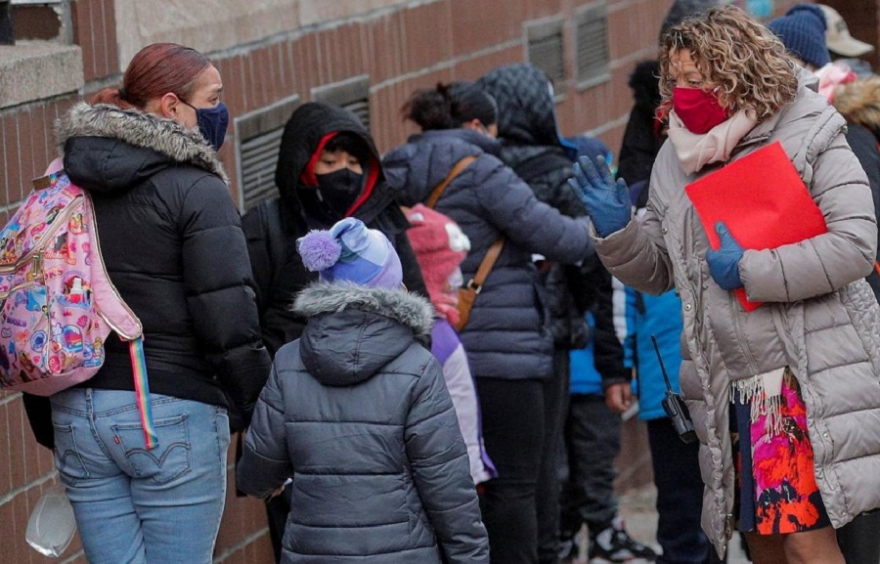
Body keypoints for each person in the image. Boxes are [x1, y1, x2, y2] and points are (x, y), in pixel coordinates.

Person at [571, 6, 880, 564]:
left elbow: (855, 245)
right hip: (733, 382)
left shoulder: (807, 129)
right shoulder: (675, 156)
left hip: (803, 372)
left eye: (700, 78)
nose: (687, 93)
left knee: (806, 540)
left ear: (741, 70)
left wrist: (753, 270)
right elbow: (660, 269)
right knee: (760, 541)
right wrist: (617, 232)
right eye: (679, 80)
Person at [20, 42, 272, 564]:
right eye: (214, 97)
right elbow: (227, 318)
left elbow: (36, 298)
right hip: (170, 410)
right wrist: (256, 408)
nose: (220, 111)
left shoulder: (61, 181)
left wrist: (49, 418)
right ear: (171, 105)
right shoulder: (196, 189)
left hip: (75, 412)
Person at [382, 81, 595, 564]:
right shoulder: (482, 171)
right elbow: (560, 237)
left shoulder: (392, 169)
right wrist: (601, 227)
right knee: (516, 485)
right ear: (477, 126)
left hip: (423, 350)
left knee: (440, 486)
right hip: (500, 356)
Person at [236, 217, 490, 564]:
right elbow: (446, 483)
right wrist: (471, 555)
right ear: (393, 290)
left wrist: (269, 482)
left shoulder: (288, 362)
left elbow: (258, 472)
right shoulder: (418, 368)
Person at [241, 100, 428, 561]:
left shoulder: (382, 224)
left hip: (380, 421)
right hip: (299, 427)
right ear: (302, 165)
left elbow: (417, 313)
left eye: (353, 162)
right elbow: (243, 325)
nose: (343, 172)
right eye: (329, 161)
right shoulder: (266, 227)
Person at [477, 64, 605, 564]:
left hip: (478, 338)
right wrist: (582, 310)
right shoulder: (559, 169)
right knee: (541, 465)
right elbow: (587, 253)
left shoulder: (478, 170)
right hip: (545, 337)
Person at [558, 270, 658, 564]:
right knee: (559, 472)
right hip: (558, 368)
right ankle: (572, 534)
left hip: (596, 373)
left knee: (596, 466)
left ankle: (602, 530)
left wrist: (619, 369)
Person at [404, 203, 496, 485]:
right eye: (448, 269)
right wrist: (472, 472)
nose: (458, 279)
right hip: (443, 477)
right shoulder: (440, 337)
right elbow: (462, 412)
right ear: (426, 272)